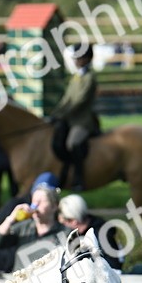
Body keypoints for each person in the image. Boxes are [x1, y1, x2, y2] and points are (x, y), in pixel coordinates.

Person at [0, 171, 59, 274]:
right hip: (16, 279)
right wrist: (11, 218)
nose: (35, 206)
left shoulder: (62, 232)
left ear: (54, 206)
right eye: (34, 201)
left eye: (41, 202)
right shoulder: (25, 226)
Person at [49, 45, 99, 191]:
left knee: (73, 143)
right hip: (68, 119)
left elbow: (79, 101)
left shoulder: (89, 78)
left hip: (82, 121)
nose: (76, 61)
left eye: (79, 58)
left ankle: (79, 180)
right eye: (76, 57)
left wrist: (62, 115)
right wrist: (55, 114)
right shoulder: (76, 77)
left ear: (87, 59)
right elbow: (67, 99)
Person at [57, 193, 123, 270]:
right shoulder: (78, 233)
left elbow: (114, 265)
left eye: (64, 222)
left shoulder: (102, 234)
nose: (63, 226)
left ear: (73, 221)